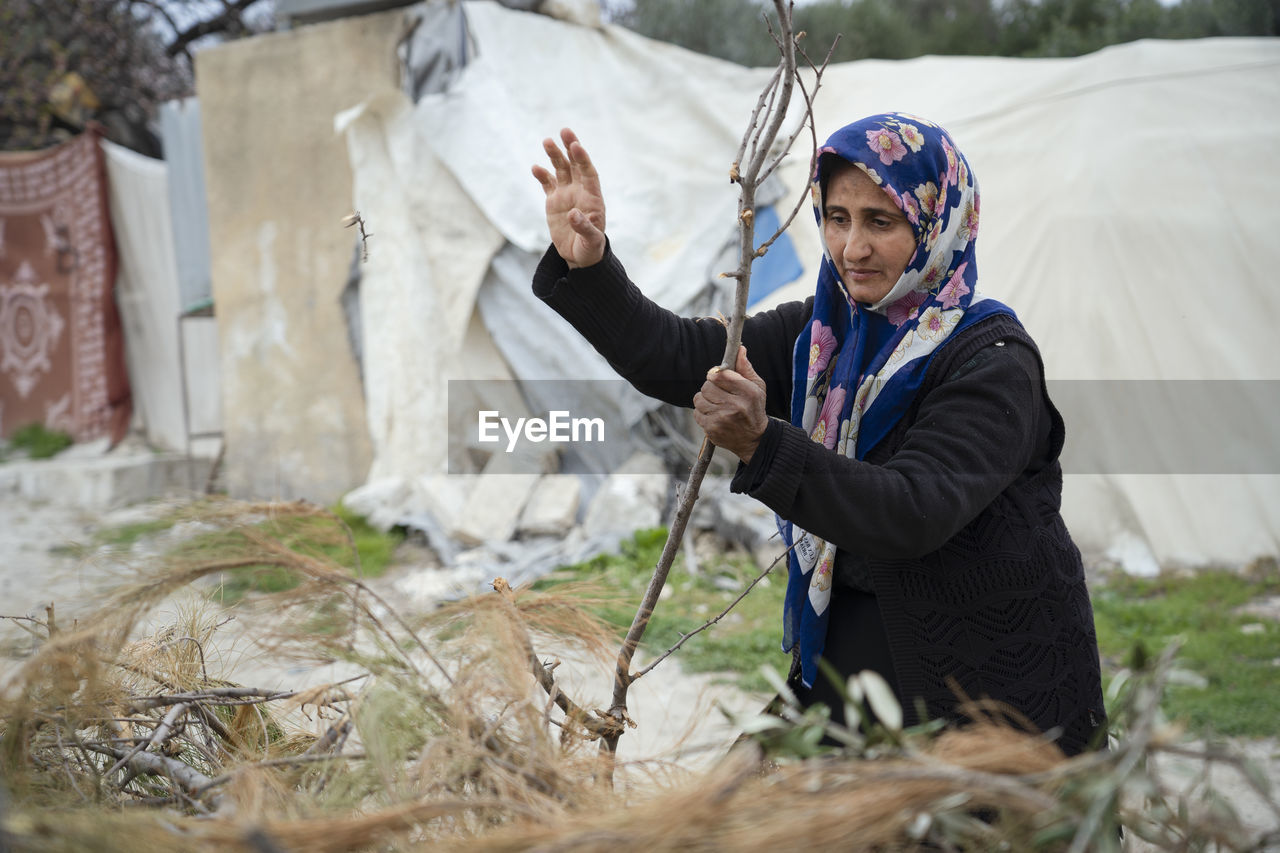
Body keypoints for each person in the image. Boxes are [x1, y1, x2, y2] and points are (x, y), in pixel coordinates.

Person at [530, 115, 1106, 757]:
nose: (851, 247)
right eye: (836, 217)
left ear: (937, 225)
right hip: (850, 674)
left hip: (985, 700)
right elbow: (680, 355)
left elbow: (911, 509)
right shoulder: (828, 337)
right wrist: (591, 267)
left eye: (880, 222)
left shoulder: (990, 361)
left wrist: (763, 445)